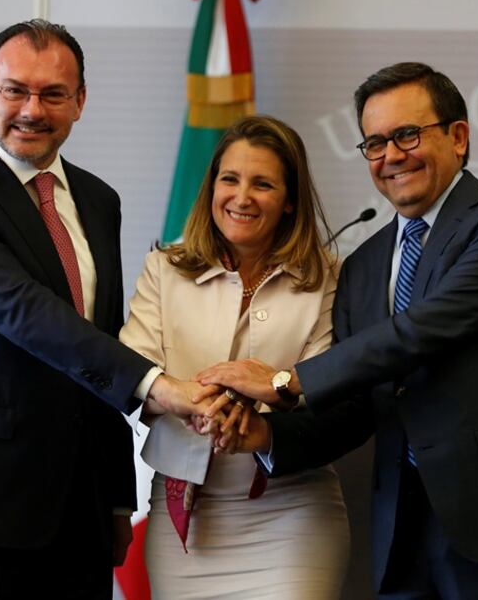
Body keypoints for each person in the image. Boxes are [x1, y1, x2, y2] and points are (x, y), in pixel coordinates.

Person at [197, 62, 478, 599]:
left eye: (407, 134)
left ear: (458, 137)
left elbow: (426, 328)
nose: (390, 155)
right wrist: (268, 435)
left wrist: (284, 381)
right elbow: (357, 404)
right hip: (399, 526)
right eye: (374, 143)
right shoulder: (363, 265)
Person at [0, 19, 208, 599]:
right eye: (15, 89)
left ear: (80, 101)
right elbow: (22, 310)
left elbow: (105, 339)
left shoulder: (98, 200)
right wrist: (158, 387)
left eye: (53, 94)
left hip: (80, 505)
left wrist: (119, 494)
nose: (32, 110)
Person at [119, 115, 350, 598]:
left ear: (289, 201)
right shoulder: (164, 267)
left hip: (293, 513)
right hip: (186, 520)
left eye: (262, 184)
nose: (241, 197)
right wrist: (192, 401)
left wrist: (271, 397)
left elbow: (329, 382)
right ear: (210, 189)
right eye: (230, 179)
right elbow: (131, 372)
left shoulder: (329, 274)